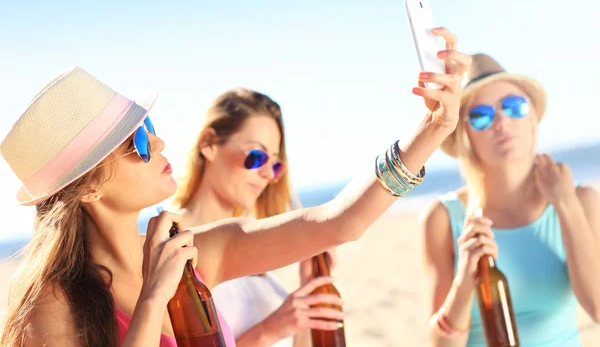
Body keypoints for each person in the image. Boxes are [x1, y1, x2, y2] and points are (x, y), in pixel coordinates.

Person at [0, 27, 468, 347]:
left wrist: (432, 130)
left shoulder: (197, 253)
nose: (160, 141)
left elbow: (341, 220)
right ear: (87, 189)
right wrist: (151, 302)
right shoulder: (53, 305)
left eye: (150, 126)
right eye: (137, 141)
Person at [419, 54, 600, 346]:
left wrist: (565, 204)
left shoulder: (581, 199)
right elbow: (441, 343)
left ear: (531, 120)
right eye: (481, 116)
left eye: (514, 107)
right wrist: (465, 276)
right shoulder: (442, 217)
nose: (502, 121)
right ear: (465, 135)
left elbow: (597, 307)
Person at [171, 88, 338, 347]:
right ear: (209, 144)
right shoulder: (175, 248)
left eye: (274, 164)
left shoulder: (259, 264)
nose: (267, 175)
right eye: (256, 156)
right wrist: (268, 331)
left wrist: (308, 287)